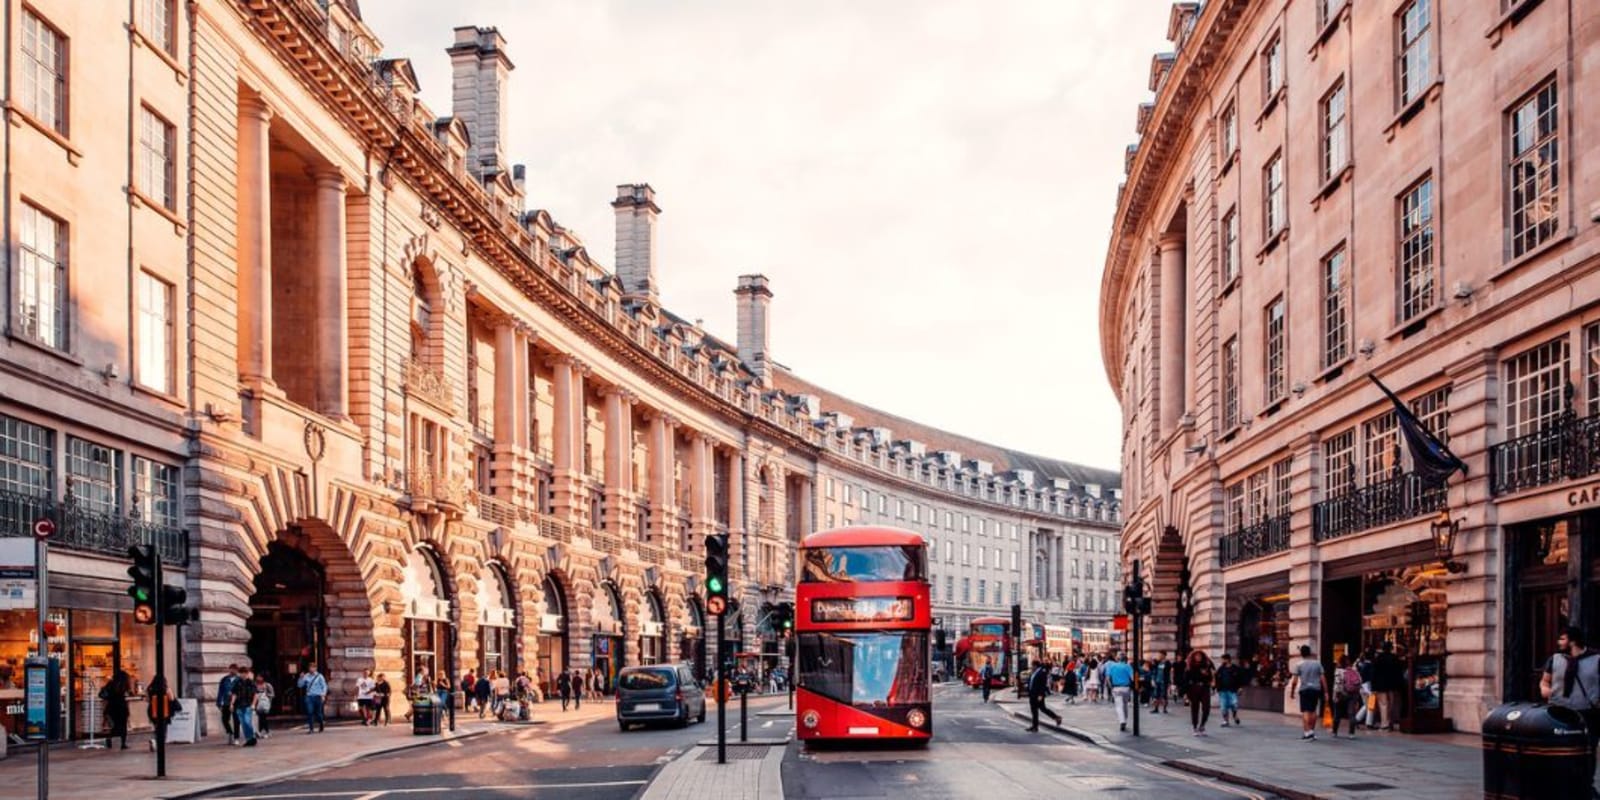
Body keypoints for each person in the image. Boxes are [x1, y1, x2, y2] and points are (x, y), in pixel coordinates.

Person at [1541, 625, 1600, 789]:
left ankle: (1587, 785)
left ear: (1573, 641)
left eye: (1562, 638)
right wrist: (1545, 690)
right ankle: (1562, 785)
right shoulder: (1555, 659)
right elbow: (1545, 681)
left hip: (1587, 713)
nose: (1559, 642)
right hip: (1559, 712)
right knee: (1559, 750)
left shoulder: (1596, 658)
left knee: (1588, 751)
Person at [1286, 645, 1327, 741]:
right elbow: (1323, 678)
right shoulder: (1317, 664)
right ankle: (1311, 731)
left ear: (1301, 654)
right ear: (1310, 653)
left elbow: (1295, 681)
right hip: (1316, 689)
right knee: (1313, 710)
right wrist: (1326, 691)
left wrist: (1292, 692)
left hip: (1304, 689)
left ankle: (1307, 732)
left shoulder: (1299, 665)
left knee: (1305, 711)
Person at [1369, 641, 1404, 731]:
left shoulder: (1378, 658)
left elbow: (1374, 673)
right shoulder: (1395, 658)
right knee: (1392, 704)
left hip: (1380, 685)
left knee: (1383, 704)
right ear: (1391, 648)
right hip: (1392, 685)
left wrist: (1373, 686)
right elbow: (1399, 672)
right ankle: (1391, 722)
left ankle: (1385, 724)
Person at [1331, 654, 1363, 739]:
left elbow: (1338, 684)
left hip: (1341, 693)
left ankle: (1334, 732)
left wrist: (1337, 695)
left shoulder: (1338, 671)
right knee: (1351, 713)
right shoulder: (1354, 670)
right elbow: (1359, 681)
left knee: (1337, 713)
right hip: (1353, 694)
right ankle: (1351, 733)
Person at [1185, 650, 1215, 735]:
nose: (1198, 657)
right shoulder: (1189, 666)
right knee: (1195, 708)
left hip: (1204, 688)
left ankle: (1202, 725)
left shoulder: (1206, 665)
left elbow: (1211, 677)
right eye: (1196, 656)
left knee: (1206, 708)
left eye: (1200, 656)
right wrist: (1186, 693)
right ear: (1193, 657)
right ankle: (1195, 727)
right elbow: (1186, 679)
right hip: (1193, 688)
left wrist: (1206, 675)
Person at [1104, 653, 1136, 732]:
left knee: (1119, 706)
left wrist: (1110, 686)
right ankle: (1125, 719)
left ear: (1118, 659)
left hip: (1116, 687)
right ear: (1125, 659)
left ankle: (1122, 721)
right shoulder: (1127, 666)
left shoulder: (1112, 666)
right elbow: (1132, 678)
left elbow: (1108, 678)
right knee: (1125, 704)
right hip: (1126, 688)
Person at [1025, 662, 1062, 732]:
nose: (1031, 667)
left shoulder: (1042, 673)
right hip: (1032, 694)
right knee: (1034, 711)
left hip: (1038, 695)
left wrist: (1041, 695)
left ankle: (1056, 717)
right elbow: (1031, 681)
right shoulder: (1034, 672)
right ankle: (1035, 727)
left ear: (1035, 666)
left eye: (1032, 666)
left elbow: (1043, 685)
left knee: (1043, 709)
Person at [101, 669, 131, 750]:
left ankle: (110, 738)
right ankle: (123, 743)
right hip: (121, 706)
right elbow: (129, 693)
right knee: (123, 725)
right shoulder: (124, 685)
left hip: (112, 706)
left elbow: (103, 693)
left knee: (115, 726)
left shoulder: (111, 683)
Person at [1214, 653, 1244, 727]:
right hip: (1223, 690)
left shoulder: (1235, 668)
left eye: (1222, 659)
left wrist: (1240, 687)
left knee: (1234, 704)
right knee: (1224, 707)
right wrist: (1215, 687)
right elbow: (1216, 678)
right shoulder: (1221, 668)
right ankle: (1225, 721)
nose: (1221, 661)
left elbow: (1240, 678)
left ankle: (1235, 716)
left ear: (1227, 659)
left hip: (1232, 690)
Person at [232, 666, 259, 746]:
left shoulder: (251, 682)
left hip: (248, 705)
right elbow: (234, 693)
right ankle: (249, 739)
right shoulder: (237, 682)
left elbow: (255, 694)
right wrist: (232, 703)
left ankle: (252, 736)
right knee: (243, 723)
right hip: (239, 705)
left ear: (247, 674)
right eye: (241, 673)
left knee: (247, 721)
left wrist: (253, 704)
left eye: (244, 673)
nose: (242, 675)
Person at [297, 663, 328, 733]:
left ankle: (321, 724)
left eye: (313, 668)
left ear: (315, 668)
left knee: (318, 713)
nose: (311, 669)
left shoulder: (319, 676)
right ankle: (311, 729)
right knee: (309, 712)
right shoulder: (306, 676)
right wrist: (301, 678)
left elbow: (324, 686)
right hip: (309, 696)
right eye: (310, 668)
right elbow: (300, 685)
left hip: (318, 696)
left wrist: (323, 695)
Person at [217, 663, 241, 744]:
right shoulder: (224, 679)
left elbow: (242, 691)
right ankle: (230, 732)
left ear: (237, 670)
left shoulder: (239, 680)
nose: (232, 670)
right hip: (226, 702)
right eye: (231, 669)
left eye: (234, 669)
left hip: (236, 703)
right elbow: (220, 691)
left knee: (236, 720)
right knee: (224, 719)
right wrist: (219, 702)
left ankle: (236, 738)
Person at [254, 672, 274, 738]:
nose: (258, 678)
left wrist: (266, 698)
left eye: (259, 677)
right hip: (257, 704)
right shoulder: (255, 685)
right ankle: (264, 731)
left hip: (265, 703)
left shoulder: (267, 685)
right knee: (261, 718)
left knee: (263, 717)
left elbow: (272, 694)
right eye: (257, 677)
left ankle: (263, 731)